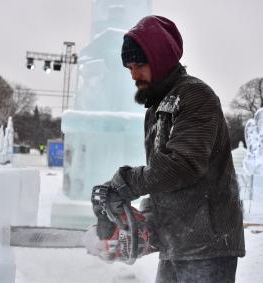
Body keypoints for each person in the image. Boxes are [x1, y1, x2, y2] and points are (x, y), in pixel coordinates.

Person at [93, 15, 245, 283]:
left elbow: (182, 165)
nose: (133, 74)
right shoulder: (157, 108)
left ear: (160, 59)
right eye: (129, 67)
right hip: (177, 244)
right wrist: (143, 224)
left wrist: (125, 183)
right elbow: (162, 179)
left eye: (139, 64)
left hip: (207, 245)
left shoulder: (196, 96)